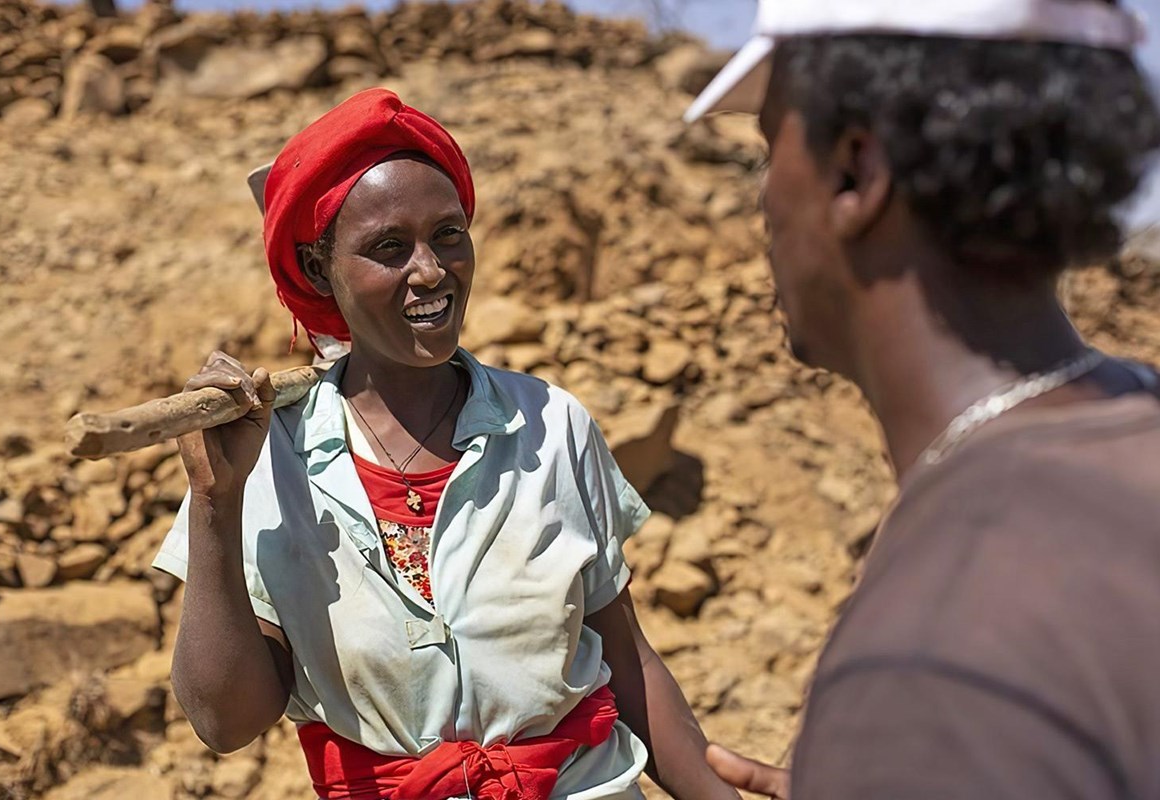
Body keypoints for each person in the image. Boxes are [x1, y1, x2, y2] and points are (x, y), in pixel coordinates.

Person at [153, 88, 749, 800]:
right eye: (388, 248)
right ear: (319, 272)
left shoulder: (551, 425)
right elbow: (225, 722)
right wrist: (216, 504)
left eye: (449, 234)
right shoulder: (267, 461)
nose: (431, 270)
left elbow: (628, 662)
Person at [684, 0, 1160, 796]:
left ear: (855, 173)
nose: (763, 202)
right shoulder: (1131, 419)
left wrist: (901, 750)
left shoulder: (936, 665)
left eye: (773, 149)